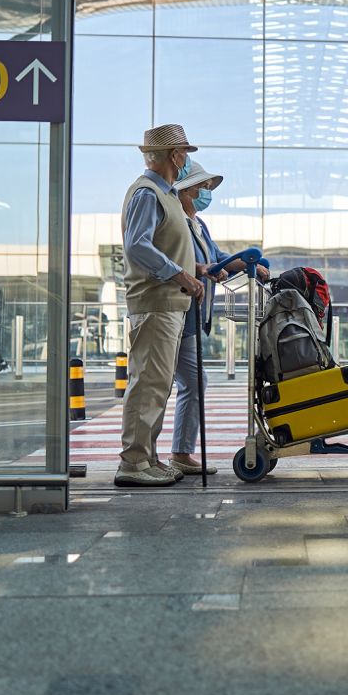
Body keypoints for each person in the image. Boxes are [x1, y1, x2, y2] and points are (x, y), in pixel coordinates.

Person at [116, 123, 206, 488]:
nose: (186, 159)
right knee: (149, 383)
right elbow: (137, 245)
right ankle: (133, 463)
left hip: (168, 305)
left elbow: (158, 243)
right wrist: (179, 275)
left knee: (158, 385)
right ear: (175, 155)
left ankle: (148, 458)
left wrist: (193, 268)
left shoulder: (164, 194)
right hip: (156, 303)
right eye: (184, 153)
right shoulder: (147, 193)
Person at [167, 160, 269, 475]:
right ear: (184, 190)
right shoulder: (178, 224)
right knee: (187, 382)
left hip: (195, 317)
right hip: (181, 313)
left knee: (189, 382)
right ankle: (176, 454)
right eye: (201, 187)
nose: (205, 192)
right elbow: (186, 263)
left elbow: (216, 256)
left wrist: (245, 262)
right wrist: (206, 269)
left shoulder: (197, 224)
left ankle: (178, 453)